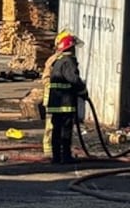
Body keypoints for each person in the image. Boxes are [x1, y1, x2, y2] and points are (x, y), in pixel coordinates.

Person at [45, 32, 87, 165]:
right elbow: (74, 80)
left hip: (56, 102)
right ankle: (66, 156)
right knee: (65, 129)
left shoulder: (58, 62)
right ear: (71, 48)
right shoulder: (68, 62)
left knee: (56, 129)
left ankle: (56, 156)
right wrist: (83, 91)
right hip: (65, 102)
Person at [40, 29, 73, 157]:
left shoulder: (60, 59)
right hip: (54, 98)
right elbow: (46, 79)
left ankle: (55, 152)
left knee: (55, 126)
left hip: (56, 98)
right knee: (52, 126)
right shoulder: (56, 60)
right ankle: (50, 151)